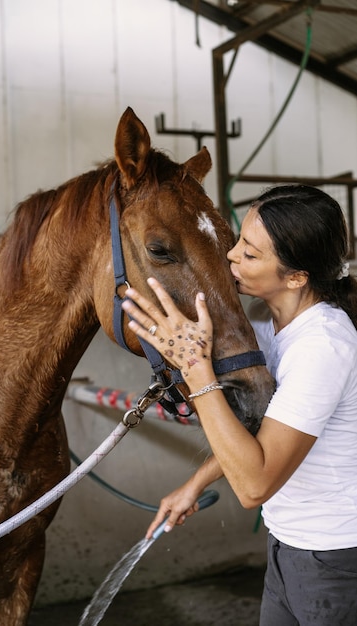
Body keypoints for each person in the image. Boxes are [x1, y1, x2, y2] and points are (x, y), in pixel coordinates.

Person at [121, 184, 357, 626]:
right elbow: (267, 434)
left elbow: (255, 485)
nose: (230, 257)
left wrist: (197, 370)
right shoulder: (272, 334)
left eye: (250, 254)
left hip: (335, 559)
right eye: (238, 241)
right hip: (289, 545)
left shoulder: (322, 347)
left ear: (296, 277)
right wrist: (197, 481)